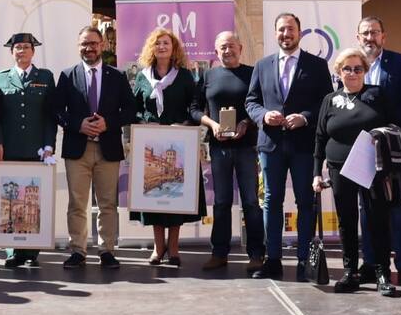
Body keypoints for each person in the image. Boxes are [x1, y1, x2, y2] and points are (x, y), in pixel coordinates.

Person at [245, 13, 333, 282]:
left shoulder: (317, 65)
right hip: (271, 144)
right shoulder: (262, 65)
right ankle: (273, 259)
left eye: (291, 29)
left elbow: (326, 102)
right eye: (281, 30)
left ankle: (305, 260)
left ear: (300, 33)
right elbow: (251, 101)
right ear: (275, 34)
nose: (286, 34)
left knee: (306, 202)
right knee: (271, 201)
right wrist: (262, 116)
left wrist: (305, 116)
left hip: (304, 144)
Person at [313, 48, 398, 296]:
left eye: (358, 69)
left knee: (377, 219)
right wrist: (316, 173)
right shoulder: (329, 99)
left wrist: (379, 136)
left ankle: (382, 272)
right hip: (339, 168)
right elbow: (319, 138)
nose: (352, 73)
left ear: (365, 71)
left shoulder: (377, 94)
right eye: (347, 69)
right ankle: (350, 272)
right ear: (338, 72)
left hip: (372, 166)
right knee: (346, 221)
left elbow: (393, 126)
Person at [54, 26, 136, 270]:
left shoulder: (117, 76)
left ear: (103, 45)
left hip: (107, 148)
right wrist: (77, 124)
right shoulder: (68, 75)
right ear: (78, 47)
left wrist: (107, 123)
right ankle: (78, 250)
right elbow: (57, 110)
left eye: (93, 43)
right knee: (77, 203)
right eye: (84, 44)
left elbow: (130, 110)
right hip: (77, 149)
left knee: (107, 203)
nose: (88, 48)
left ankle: (106, 250)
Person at [130, 28, 204, 267]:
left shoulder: (184, 77)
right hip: (150, 142)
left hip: (179, 141)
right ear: (151, 48)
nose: (162, 47)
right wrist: (144, 120)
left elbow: (195, 107)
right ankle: (157, 247)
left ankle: (173, 249)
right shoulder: (142, 77)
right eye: (158, 43)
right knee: (153, 199)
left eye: (166, 44)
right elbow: (135, 107)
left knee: (177, 200)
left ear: (174, 50)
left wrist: (182, 124)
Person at [192, 31, 265, 272]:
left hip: (246, 147)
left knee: (251, 202)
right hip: (220, 148)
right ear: (216, 51)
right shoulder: (208, 76)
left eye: (232, 46)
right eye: (223, 47)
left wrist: (247, 123)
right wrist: (212, 124)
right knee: (221, 202)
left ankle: (256, 254)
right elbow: (193, 109)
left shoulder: (253, 73)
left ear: (240, 48)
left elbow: (261, 107)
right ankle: (219, 253)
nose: (227, 51)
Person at [356, 16, 401, 285]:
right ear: (358, 38)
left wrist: (388, 131)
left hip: (392, 146)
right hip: (363, 148)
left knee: (397, 206)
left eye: (375, 33)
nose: (370, 38)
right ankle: (370, 263)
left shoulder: (399, 63)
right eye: (365, 33)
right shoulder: (352, 65)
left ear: (383, 36)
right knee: (365, 207)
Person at [0, 33, 57, 268]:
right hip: (9, 148)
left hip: (36, 149)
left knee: (34, 201)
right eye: (17, 48)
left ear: (33, 52)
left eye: (26, 47)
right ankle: (11, 250)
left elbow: (51, 115)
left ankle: (31, 252)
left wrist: (49, 145)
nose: (21, 51)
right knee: (9, 200)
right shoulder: (1, 78)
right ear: (12, 52)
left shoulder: (46, 77)